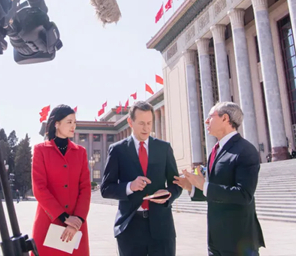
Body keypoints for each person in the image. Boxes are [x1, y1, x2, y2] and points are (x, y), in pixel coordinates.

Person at [174, 101, 265, 256]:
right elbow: (215, 191)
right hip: (216, 240)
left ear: (225, 118)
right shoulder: (215, 151)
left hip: (239, 242)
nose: (206, 121)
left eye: (211, 116)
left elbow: (244, 195)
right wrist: (192, 187)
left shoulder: (245, 150)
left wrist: (204, 186)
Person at [101, 101, 181, 256]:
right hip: (130, 228)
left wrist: (168, 194)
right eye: (142, 123)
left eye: (149, 123)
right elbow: (106, 189)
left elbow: (176, 184)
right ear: (130, 122)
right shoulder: (117, 150)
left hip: (162, 228)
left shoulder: (164, 148)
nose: (146, 128)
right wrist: (129, 186)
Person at [31, 105, 91, 256]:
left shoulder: (81, 152)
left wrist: (77, 219)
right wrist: (64, 217)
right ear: (56, 124)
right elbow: (39, 188)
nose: (73, 126)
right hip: (48, 223)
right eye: (69, 122)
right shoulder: (40, 150)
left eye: (75, 122)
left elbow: (85, 188)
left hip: (76, 226)